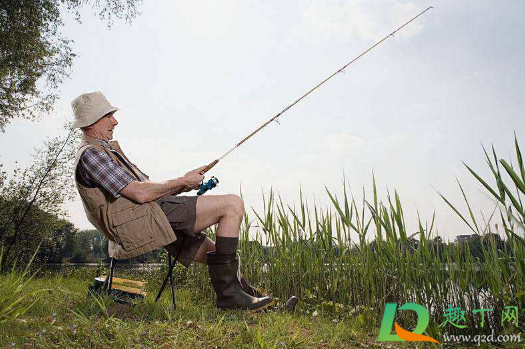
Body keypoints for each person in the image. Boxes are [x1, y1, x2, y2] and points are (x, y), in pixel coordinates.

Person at [72, 91, 274, 311]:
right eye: (108, 116)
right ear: (91, 122)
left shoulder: (104, 149)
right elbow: (140, 194)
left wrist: (183, 183)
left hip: (146, 214)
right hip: (142, 220)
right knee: (232, 204)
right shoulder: (91, 154)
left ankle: (255, 301)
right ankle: (230, 298)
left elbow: (144, 190)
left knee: (213, 252)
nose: (115, 121)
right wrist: (183, 182)